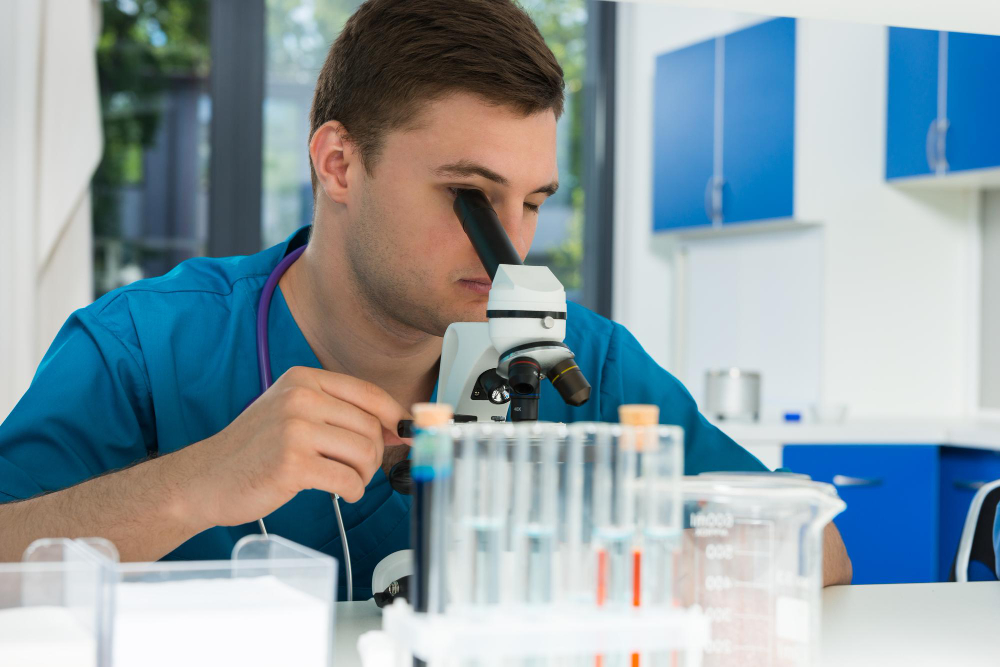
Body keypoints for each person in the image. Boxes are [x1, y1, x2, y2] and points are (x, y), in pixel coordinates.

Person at [0, 0, 850, 597]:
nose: (511, 247)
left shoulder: (571, 356)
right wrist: (196, 484)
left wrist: (607, 567)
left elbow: (818, 545)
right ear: (338, 164)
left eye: (534, 200)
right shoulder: (143, 350)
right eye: (471, 196)